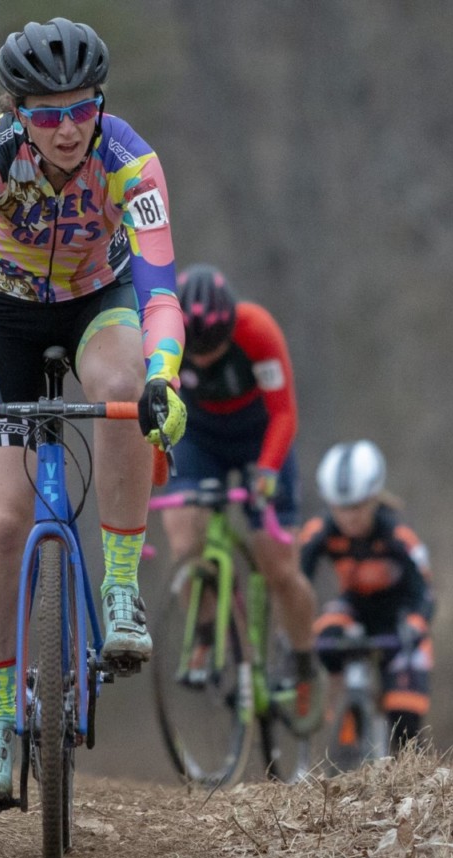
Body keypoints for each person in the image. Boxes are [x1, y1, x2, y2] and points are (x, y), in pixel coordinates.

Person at [0, 18, 186, 804]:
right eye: (46, 113)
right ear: (16, 111)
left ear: (100, 103)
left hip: (100, 300)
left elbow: (161, 290)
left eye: (80, 108)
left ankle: (122, 586)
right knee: (2, 521)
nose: (66, 129)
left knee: (129, 384)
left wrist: (166, 374)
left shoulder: (131, 161)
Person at [157, 264, 326, 735]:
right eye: (198, 351)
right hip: (201, 438)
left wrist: (269, 471)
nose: (206, 361)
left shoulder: (258, 332)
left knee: (278, 564)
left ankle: (303, 656)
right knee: (184, 537)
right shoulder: (166, 336)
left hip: (260, 437)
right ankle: (207, 637)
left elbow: (284, 412)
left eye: (215, 349)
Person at [299, 440, 435, 753]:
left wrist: (414, 627)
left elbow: (425, 593)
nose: (349, 518)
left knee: (405, 717)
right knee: (323, 636)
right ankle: (337, 712)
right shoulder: (321, 530)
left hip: (399, 617)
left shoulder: (397, 535)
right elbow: (297, 578)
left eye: (358, 507)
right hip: (355, 608)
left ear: (374, 499)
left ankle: (407, 770)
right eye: (341, 508)